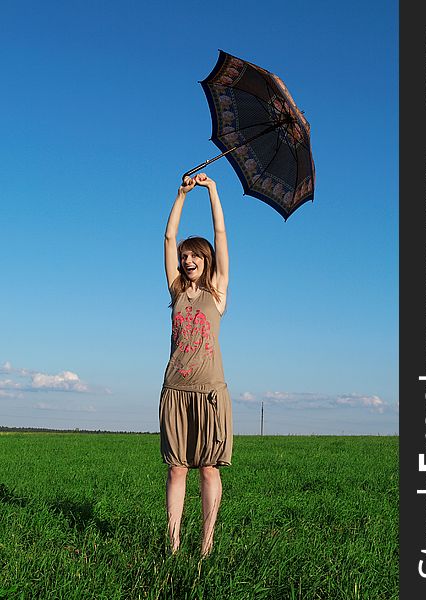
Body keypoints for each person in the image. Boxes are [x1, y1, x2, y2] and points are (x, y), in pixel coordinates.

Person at [159, 172, 233, 557]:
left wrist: (212, 191)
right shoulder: (176, 291)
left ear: (206, 261)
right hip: (175, 388)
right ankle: (171, 548)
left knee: (208, 469)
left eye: (193, 255)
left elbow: (221, 238)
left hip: (209, 393)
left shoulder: (217, 291)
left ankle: (205, 547)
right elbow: (168, 238)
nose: (186, 259)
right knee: (176, 469)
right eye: (184, 256)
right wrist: (181, 195)